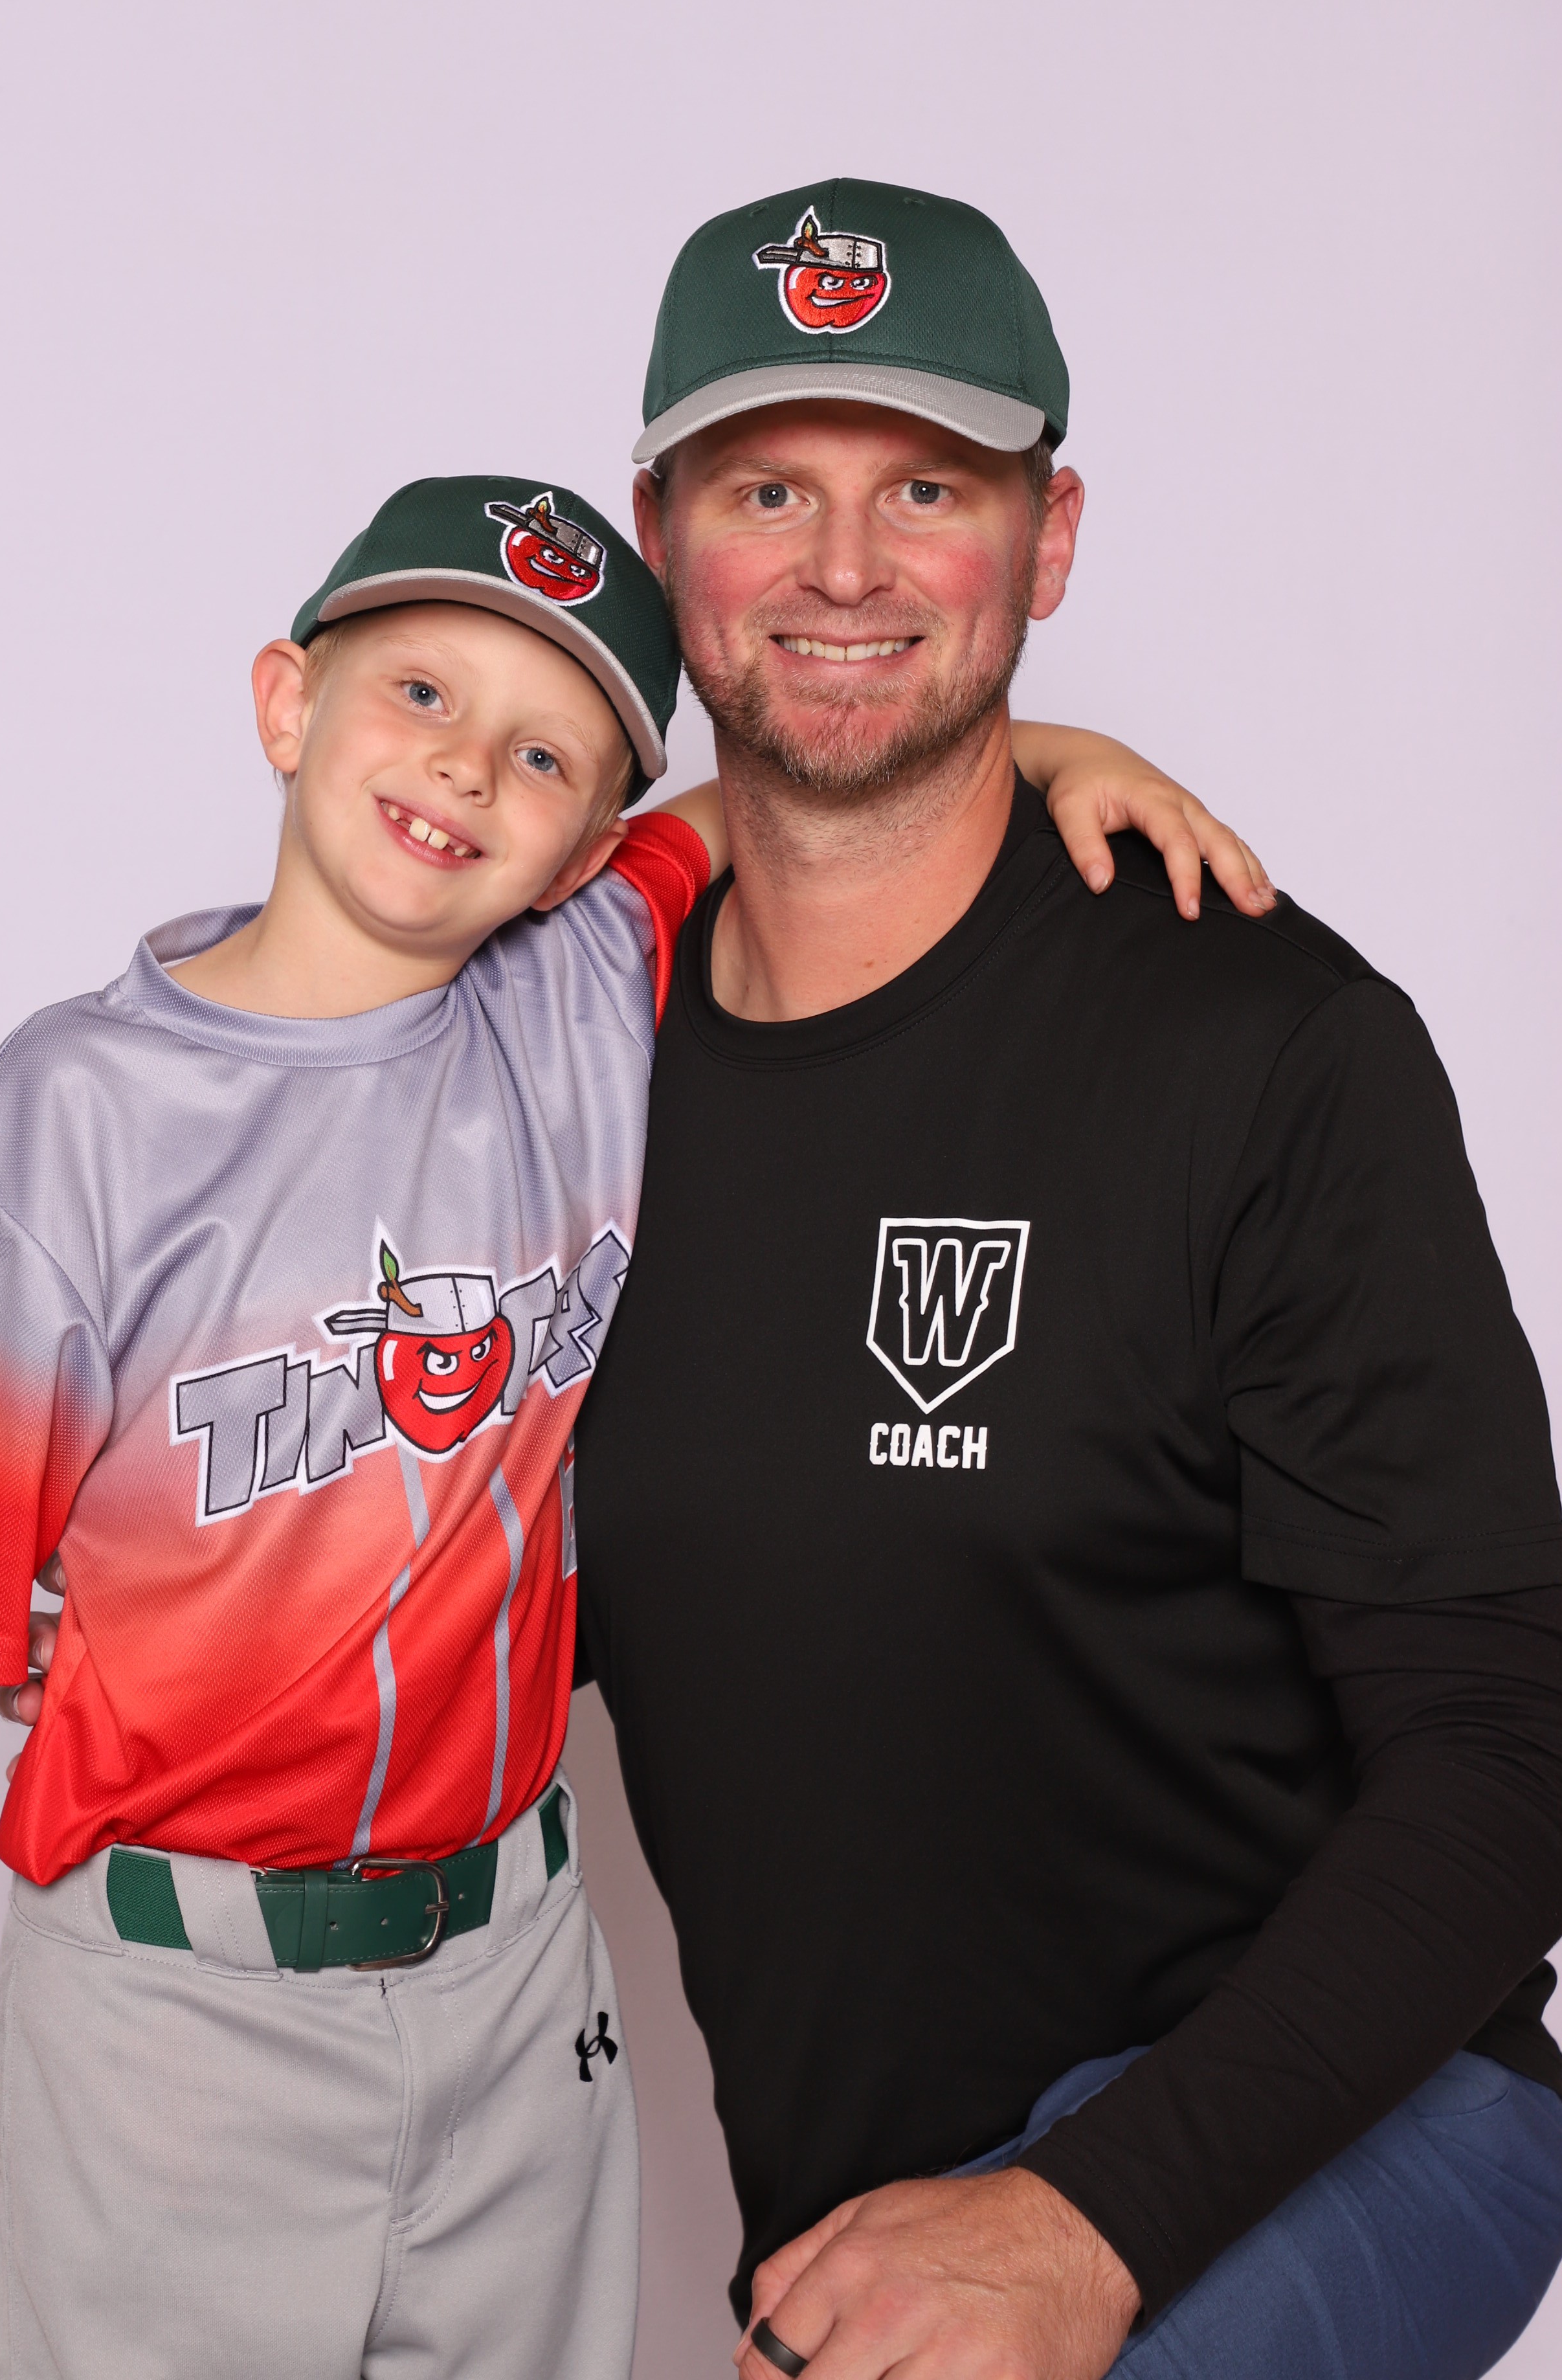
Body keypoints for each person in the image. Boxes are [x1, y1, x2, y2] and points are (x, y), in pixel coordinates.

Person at [0, 458, 1245, 2377]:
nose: (467, 766)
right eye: (420, 691)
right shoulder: (70, 1116)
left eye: (547, 755)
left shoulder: (580, 988)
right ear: (286, 701)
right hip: (174, 2006)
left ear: (584, 850)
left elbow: (766, 810)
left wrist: (1050, 751)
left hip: (515, 1984)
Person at [569, 180, 1562, 2380]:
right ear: (664, 541)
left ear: (1051, 539)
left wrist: (1079, 2223)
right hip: (862, 2222)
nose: (844, 567)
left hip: (1337, 2117)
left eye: (929, 488)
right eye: (768, 490)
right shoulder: (553, 1085)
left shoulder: (1264, 1046)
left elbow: (1512, 1756)